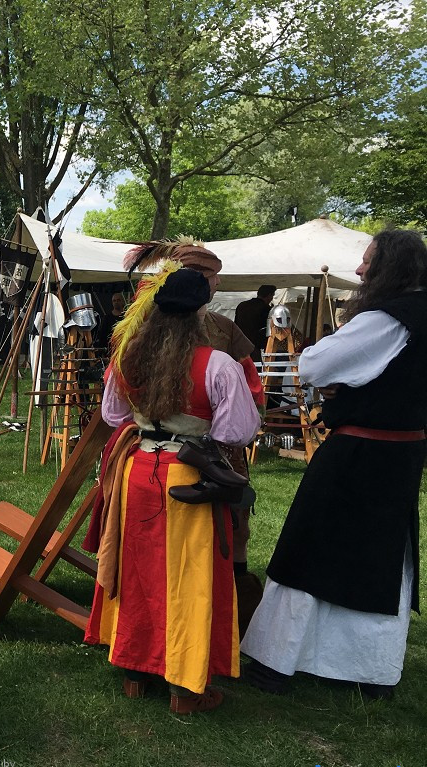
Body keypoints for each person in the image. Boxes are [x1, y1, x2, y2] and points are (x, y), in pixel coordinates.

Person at [242, 229, 427, 699]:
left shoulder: (389, 319)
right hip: (400, 457)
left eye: (367, 262)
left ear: (390, 268)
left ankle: (277, 661)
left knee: (311, 548)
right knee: (378, 559)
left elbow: (314, 366)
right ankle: (367, 670)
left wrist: (342, 383)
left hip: (358, 454)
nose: (361, 270)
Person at [84, 266, 260, 714]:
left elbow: (112, 414)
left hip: (139, 472)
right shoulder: (215, 364)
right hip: (189, 475)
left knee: (140, 574)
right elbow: (238, 430)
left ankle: (135, 674)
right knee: (188, 580)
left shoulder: (130, 356)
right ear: (202, 311)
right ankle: (185, 688)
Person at [122, 238, 267, 635]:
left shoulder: (214, 330)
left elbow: (114, 405)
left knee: (220, 534)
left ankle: (224, 609)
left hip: (161, 459)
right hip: (190, 461)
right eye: (210, 278)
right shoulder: (149, 330)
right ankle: (203, 628)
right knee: (191, 550)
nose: (215, 285)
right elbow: (244, 408)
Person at [235, 285, 278, 362]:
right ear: (269, 295)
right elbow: (267, 330)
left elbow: (236, 325)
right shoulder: (266, 309)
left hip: (239, 344)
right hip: (257, 347)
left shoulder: (242, 305)